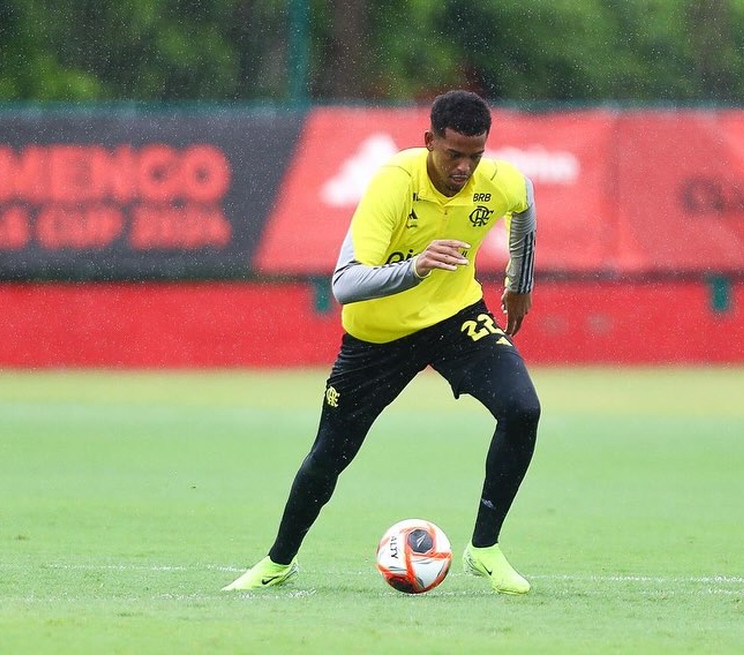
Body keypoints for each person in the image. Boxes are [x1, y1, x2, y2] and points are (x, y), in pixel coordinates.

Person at [224, 90, 540, 595]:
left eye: (475, 156)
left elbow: (525, 201)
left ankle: (485, 548)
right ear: (428, 140)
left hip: (456, 319)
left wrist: (519, 283)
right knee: (329, 455)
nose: (464, 167)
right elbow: (344, 283)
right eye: (453, 153)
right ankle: (277, 562)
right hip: (377, 338)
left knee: (523, 409)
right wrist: (414, 268)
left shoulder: (496, 181)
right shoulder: (395, 183)